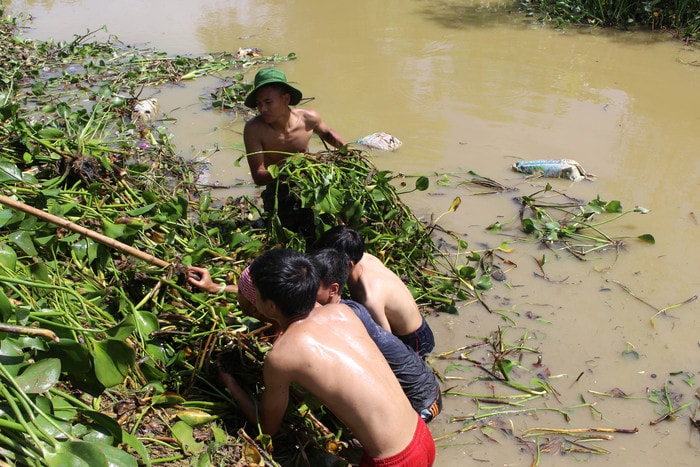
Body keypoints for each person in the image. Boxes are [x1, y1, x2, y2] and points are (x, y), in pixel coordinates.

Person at [218, 248, 435, 466]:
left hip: (395, 460)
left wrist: (230, 383)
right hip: (421, 434)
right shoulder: (343, 312)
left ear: (271, 306)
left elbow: (266, 428)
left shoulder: (282, 357)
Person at [308, 248, 442, 423]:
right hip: (422, 384)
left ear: (333, 289)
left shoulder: (345, 318)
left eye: (311, 287)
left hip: (423, 401)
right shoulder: (349, 306)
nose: (306, 291)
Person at [243, 67, 345, 238]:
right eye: (259, 104)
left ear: (286, 99)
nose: (263, 109)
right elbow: (258, 176)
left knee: (332, 224)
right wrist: (290, 167)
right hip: (279, 191)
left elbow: (330, 135)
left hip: (312, 184)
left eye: (268, 102)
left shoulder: (309, 118)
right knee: (291, 233)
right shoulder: (254, 129)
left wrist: (346, 152)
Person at [315, 225, 435, 357]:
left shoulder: (370, 297)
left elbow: (388, 344)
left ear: (349, 264)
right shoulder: (364, 257)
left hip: (414, 339)